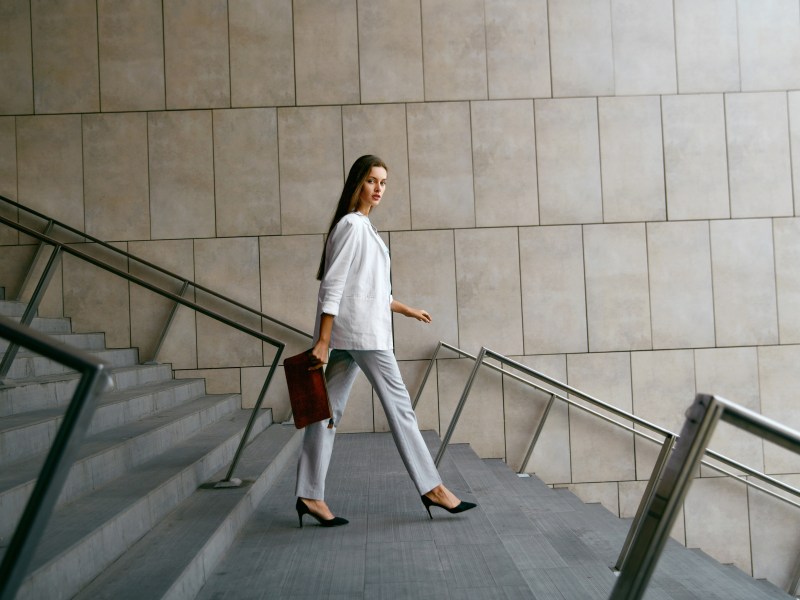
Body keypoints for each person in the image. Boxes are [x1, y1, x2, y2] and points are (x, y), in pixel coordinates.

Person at [294, 154, 477, 528]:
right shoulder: (352, 226)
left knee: (325, 414)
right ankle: (432, 488)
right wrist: (323, 342)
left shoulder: (363, 228)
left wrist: (407, 309)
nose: (378, 189)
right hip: (362, 337)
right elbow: (334, 285)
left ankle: (309, 494)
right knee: (400, 410)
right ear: (357, 183)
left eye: (383, 183)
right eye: (372, 181)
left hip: (356, 333)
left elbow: (370, 291)